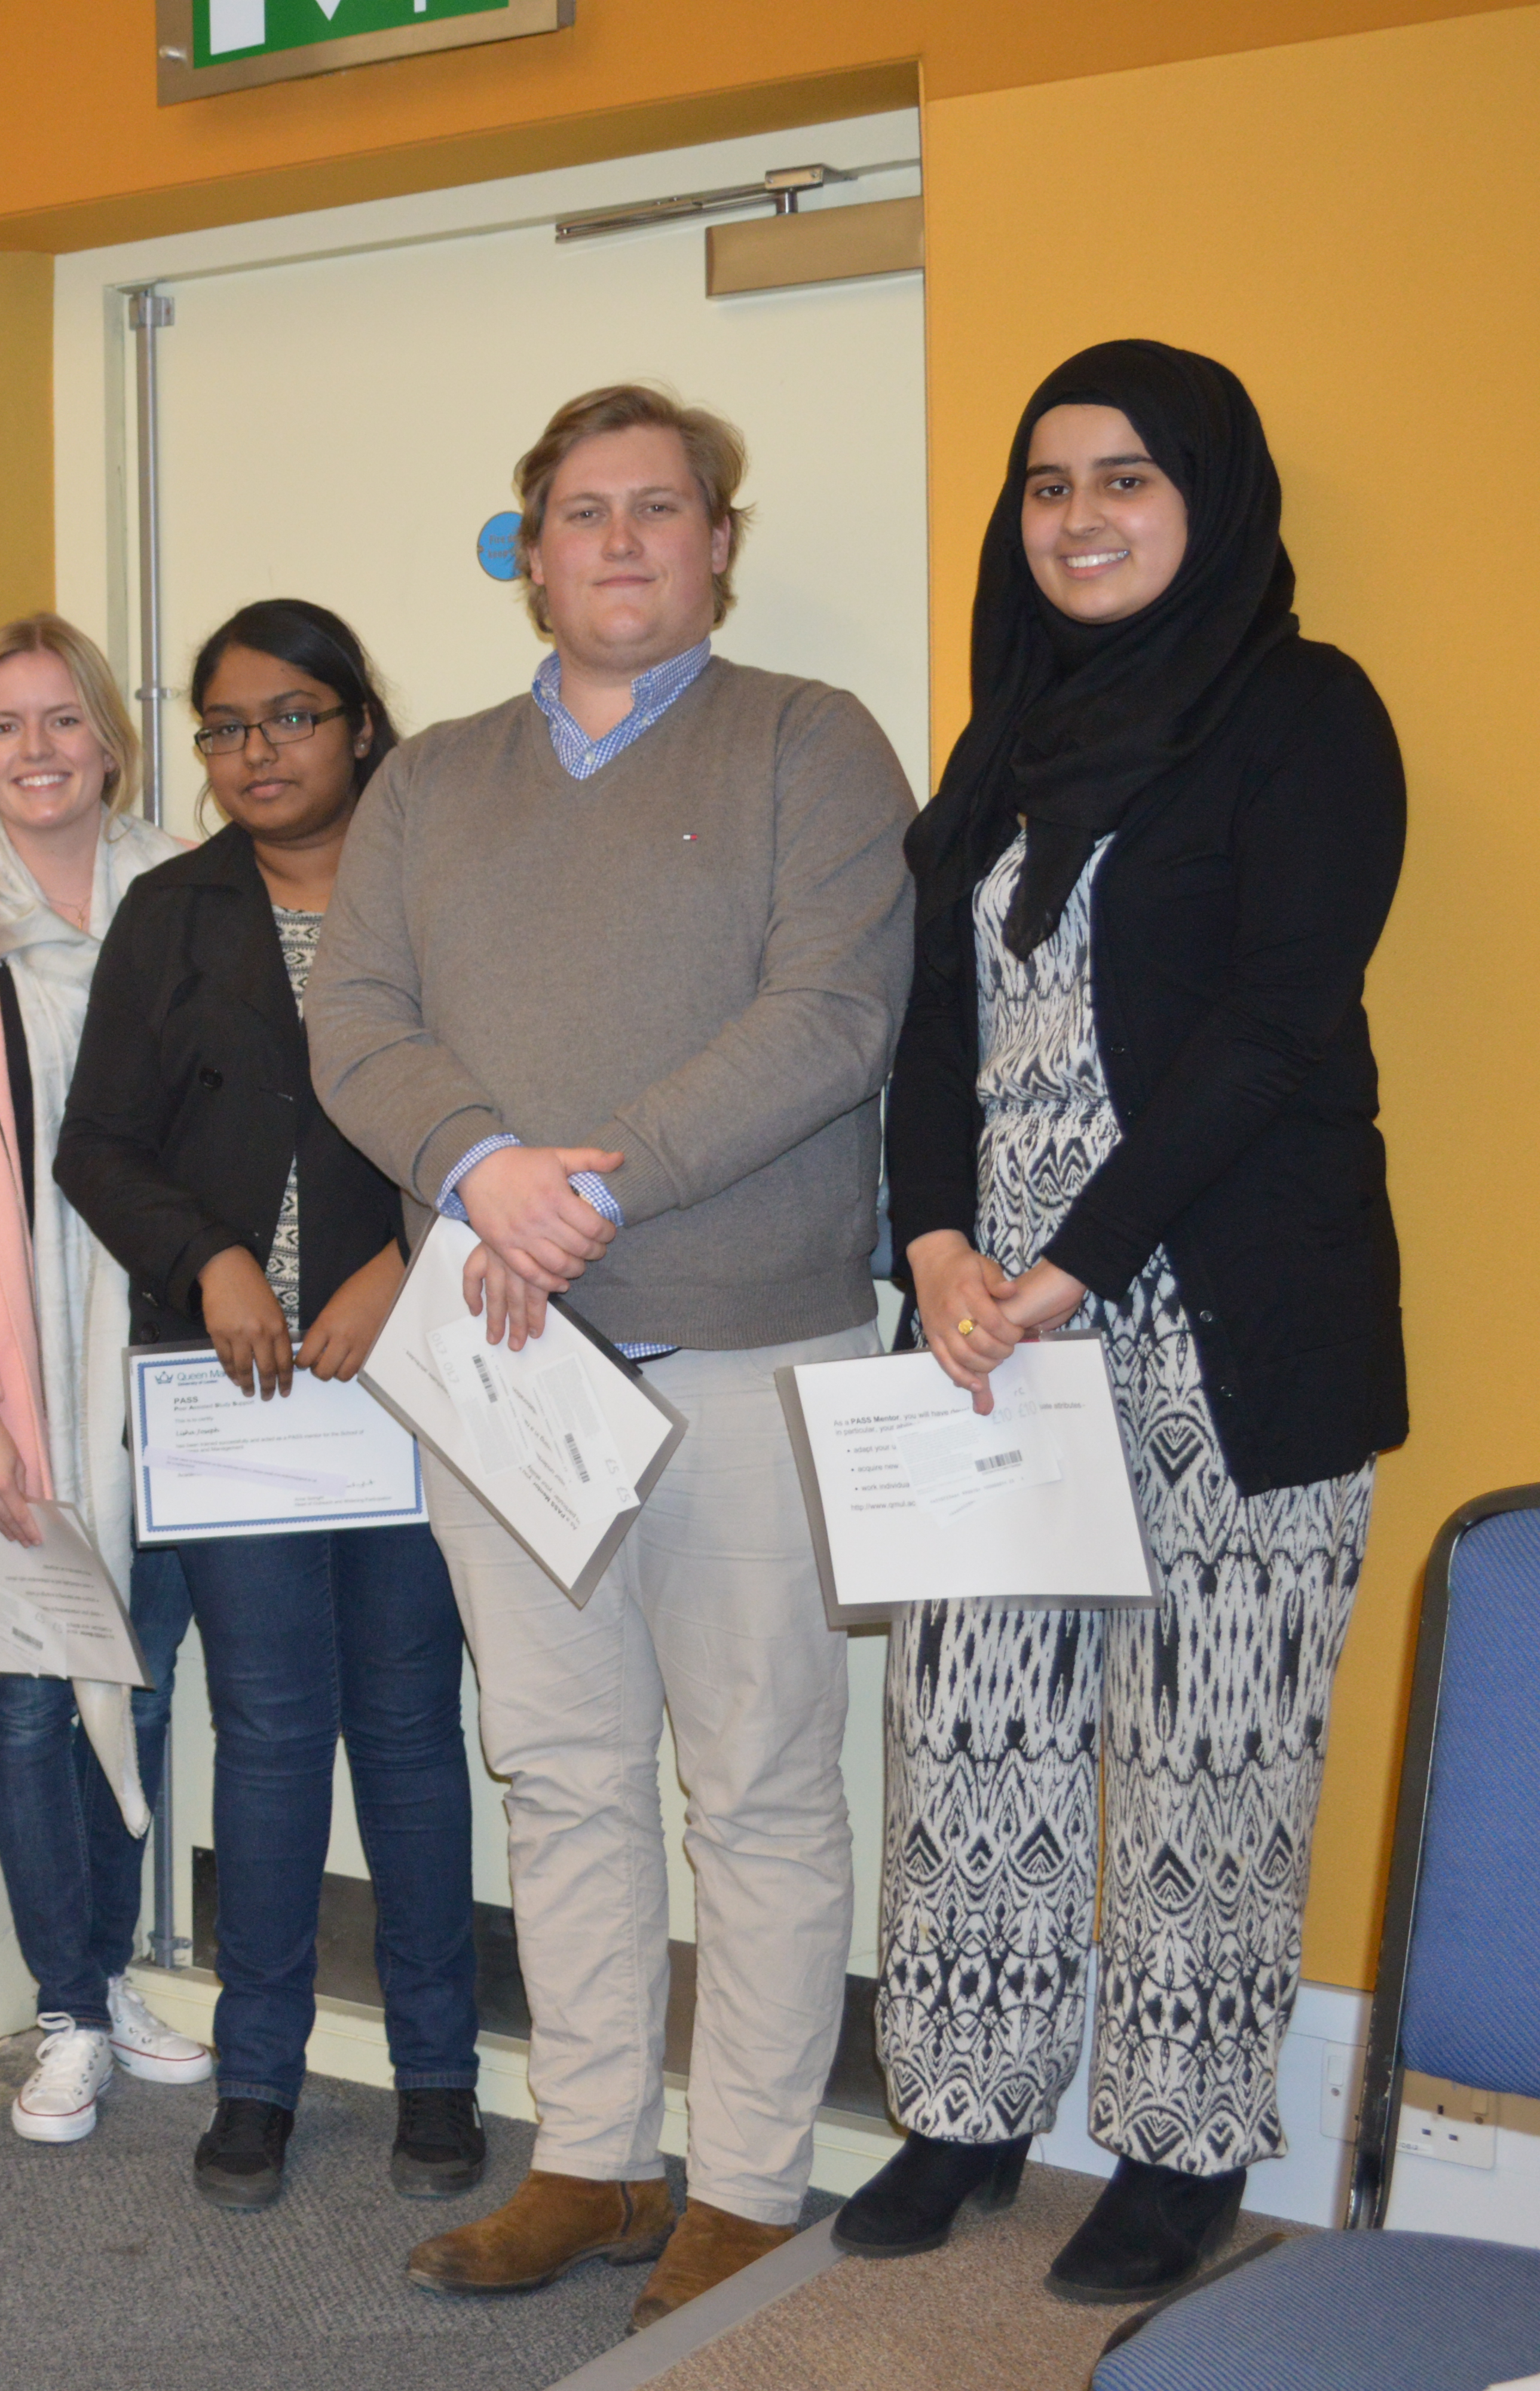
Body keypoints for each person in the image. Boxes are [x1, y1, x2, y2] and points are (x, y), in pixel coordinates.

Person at [308, 384, 915, 2328]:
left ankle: (742, 2184)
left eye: (661, 510)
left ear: (717, 543)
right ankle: (588, 2156)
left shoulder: (807, 745)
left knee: (752, 1779)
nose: (624, 543)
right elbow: (360, 1022)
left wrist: (600, 1188)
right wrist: (480, 1173)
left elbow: (833, 1016)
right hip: (495, 1357)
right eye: (584, 513)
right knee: (557, 1768)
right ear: (531, 551)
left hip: (745, 1333)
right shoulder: (429, 783)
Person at [838, 343, 1407, 2304]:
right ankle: (966, 2106)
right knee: (970, 1719)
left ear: (1211, 501)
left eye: (1124, 480)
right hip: (987, 1319)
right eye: (1044, 484)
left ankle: (1174, 2148)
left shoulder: (1304, 718)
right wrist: (929, 1247)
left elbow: (1273, 1024)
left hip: (1217, 1315)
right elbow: (927, 1027)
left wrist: (1068, 1258)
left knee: (1209, 1745)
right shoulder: (998, 745)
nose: (1076, 519)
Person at [53, 600, 481, 2210]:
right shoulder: (173, 913)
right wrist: (214, 1257)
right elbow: (96, 1145)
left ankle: (439, 2075)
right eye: (225, 727)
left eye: (290, 718)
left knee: (412, 1730)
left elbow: (507, 1109)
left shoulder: (441, 890)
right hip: (230, 1393)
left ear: (360, 723)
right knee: (275, 1728)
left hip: (410, 1378)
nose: (256, 753)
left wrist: (406, 1261)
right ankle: (262, 2081)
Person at [0, 612, 219, 2148]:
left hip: (157, 1345)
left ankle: (109, 1966)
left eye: (61, 720)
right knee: (24, 1688)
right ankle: (69, 2006)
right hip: (7, 1350)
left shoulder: (191, 893)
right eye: (4, 726)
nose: (34, 750)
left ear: (108, 737)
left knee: (130, 1671)